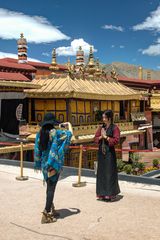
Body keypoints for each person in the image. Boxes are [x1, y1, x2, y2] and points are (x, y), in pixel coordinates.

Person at [34, 113, 73, 223]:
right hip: (53, 164)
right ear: (52, 123)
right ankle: (46, 214)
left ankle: (51, 209)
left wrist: (38, 163)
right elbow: (70, 134)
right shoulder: (56, 133)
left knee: (49, 187)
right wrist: (68, 124)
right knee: (51, 188)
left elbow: (37, 150)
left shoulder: (39, 134)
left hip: (44, 164)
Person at [94, 110, 120, 202]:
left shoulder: (114, 128)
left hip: (109, 153)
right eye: (103, 117)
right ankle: (101, 194)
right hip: (101, 152)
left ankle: (110, 194)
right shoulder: (101, 127)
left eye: (105, 117)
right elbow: (95, 138)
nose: (103, 119)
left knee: (109, 172)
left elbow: (116, 140)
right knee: (101, 173)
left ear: (109, 118)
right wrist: (101, 137)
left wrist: (107, 137)